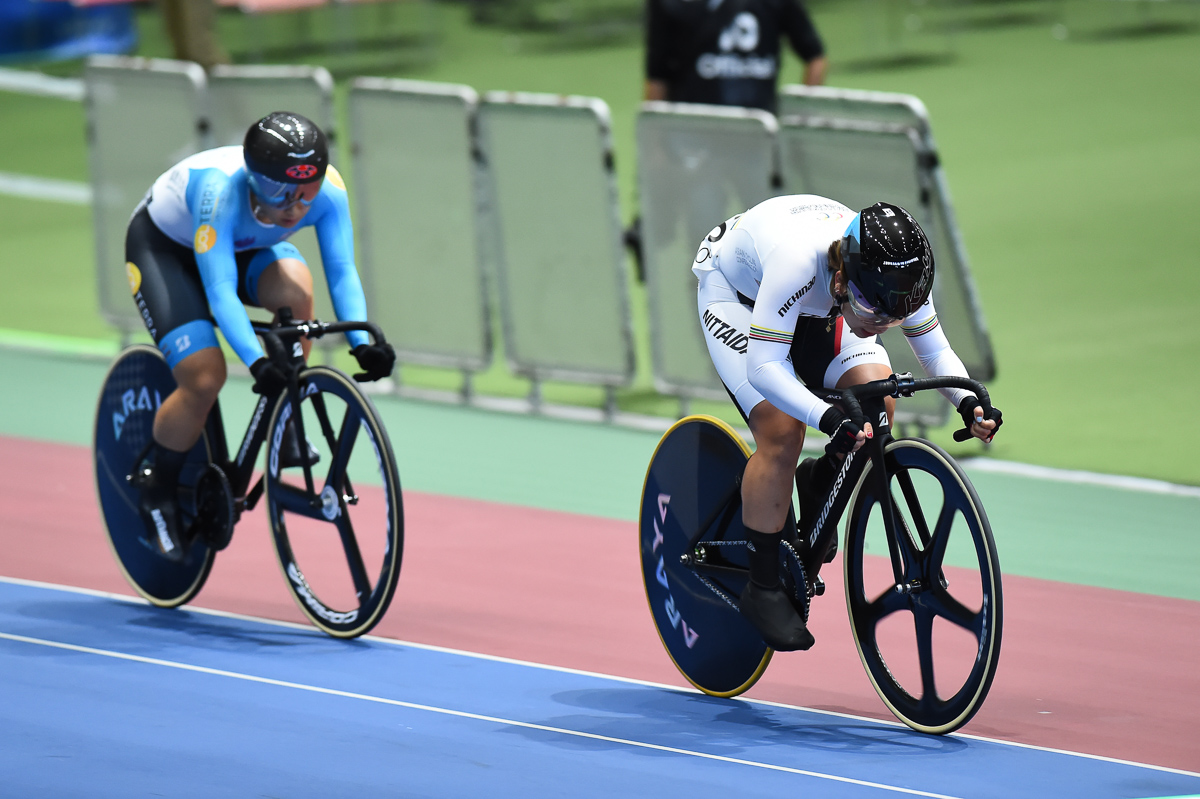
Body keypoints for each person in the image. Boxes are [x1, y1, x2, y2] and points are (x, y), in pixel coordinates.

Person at [692, 196, 1002, 650]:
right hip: (740, 296)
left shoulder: (900, 278)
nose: (881, 326)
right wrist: (824, 415)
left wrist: (967, 401)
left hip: (818, 306)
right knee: (783, 432)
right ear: (841, 278)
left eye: (894, 319)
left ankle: (820, 479)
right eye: (875, 312)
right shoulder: (797, 262)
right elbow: (764, 366)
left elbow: (933, 351)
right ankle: (761, 588)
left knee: (878, 407)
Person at [124, 111, 395, 562]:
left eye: (305, 196)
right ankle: (157, 487)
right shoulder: (220, 192)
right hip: (167, 252)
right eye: (283, 196)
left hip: (240, 246)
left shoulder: (328, 189)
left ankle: (284, 416)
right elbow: (219, 292)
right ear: (254, 181)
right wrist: (256, 361)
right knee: (204, 377)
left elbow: (342, 271)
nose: (295, 209)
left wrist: (360, 343)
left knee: (296, 289)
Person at [644, 0, 828, 114]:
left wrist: (800, 119)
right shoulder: (671, 3)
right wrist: (655, 144)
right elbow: (657, 76)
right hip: (693, 131)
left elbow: (815, 58)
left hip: (756, 133)